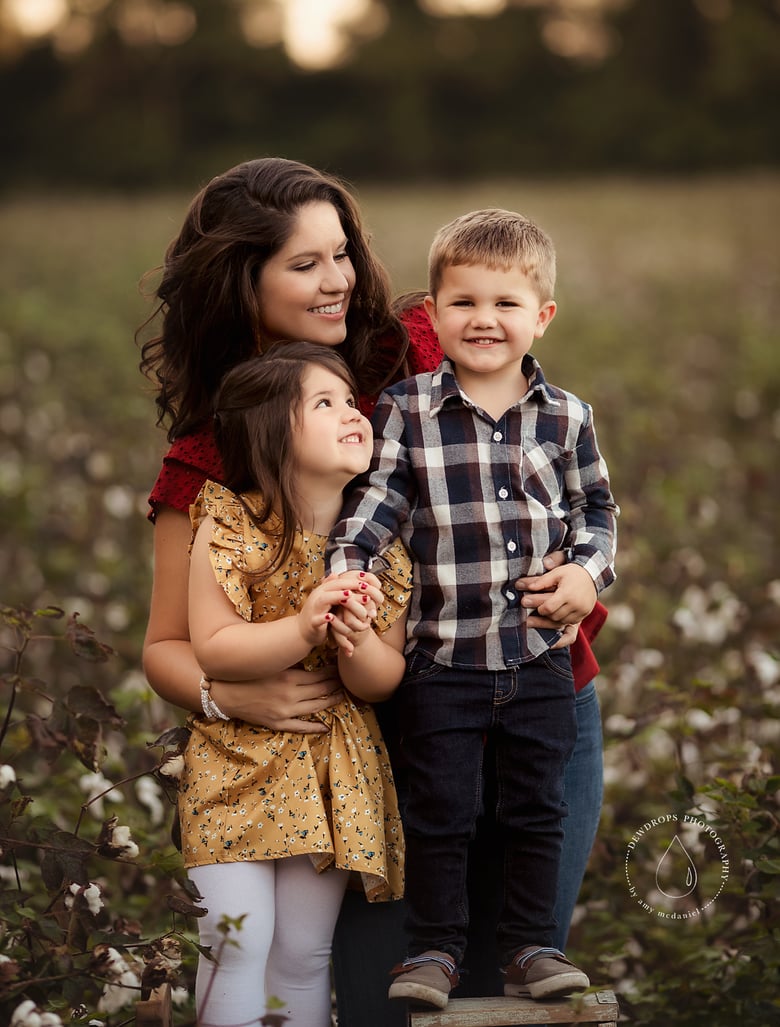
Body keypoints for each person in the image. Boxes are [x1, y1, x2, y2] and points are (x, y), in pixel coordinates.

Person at [137, 157, 608, 1026]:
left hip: (542, 696)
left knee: (523, 975)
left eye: (342, 252)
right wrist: (228, 688)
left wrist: (583, 571)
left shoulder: (414, 348)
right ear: (242, 282)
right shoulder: (212, 454)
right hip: (378, 748)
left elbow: (545, 476)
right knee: (391, 995)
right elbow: (166, 642)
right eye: (304, 263)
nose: (339, 279)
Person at [327, 208, 619, 1010]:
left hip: (536, 658)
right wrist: (347, 568)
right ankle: (435, 950)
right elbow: (378, 504)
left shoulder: (566, 417)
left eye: (505, 303)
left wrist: (589, 575)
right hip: (443, 662)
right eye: (462, 303)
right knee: (440, 811)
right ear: (432, 312)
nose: (483, 319)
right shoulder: (407, 409)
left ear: (542, 316)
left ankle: (530, 945)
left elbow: (597, 511)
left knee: (535, 806)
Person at [180, 344, 409, 1025]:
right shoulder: (233, 523)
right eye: (325, 402)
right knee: (235, 938)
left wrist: (358, 642)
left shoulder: (380, 550)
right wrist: (304, 627)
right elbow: (215, 647)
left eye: (351, 400)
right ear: (274, 432)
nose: (353, 414)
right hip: (236, 762)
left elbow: (383, 679)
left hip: (331, 765)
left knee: (304, 951)